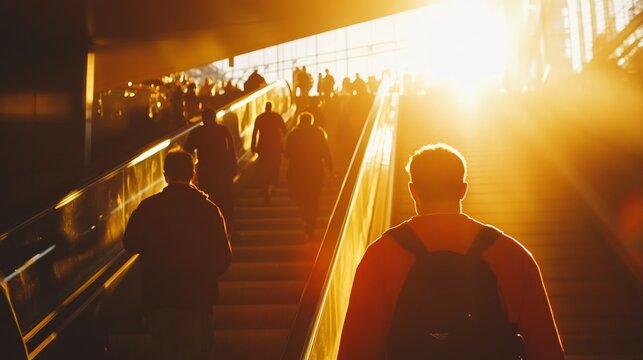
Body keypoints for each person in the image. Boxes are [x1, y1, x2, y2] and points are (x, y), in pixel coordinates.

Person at [338, 143, 564, 360]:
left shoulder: (381, 255)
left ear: (413, 191)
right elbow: (548, 352)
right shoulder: (512, 254)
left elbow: (355, 352)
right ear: (463, 189)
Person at [122, 150, 232, 360]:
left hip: (159, 298)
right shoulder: (209, 209)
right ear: (193, 175)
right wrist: (203, 275)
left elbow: (130, 243)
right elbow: (223, 257)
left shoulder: (148, 207)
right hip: (197, 300)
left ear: (165, 175)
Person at [285, 112, 333, 240]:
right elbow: (325, 152)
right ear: (311, 121)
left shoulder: (293, 134)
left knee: (302, 198)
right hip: (315, 171)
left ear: (300, 121)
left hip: (297, 173)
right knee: (314, 199)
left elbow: (287, 154)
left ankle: (307, 220)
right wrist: (330, 168)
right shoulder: (318, 133)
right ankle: (310, 225)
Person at [184, 108, 237, 223]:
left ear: (203, 119)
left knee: (209, 199)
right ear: (215, 117)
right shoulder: (223, 130)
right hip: (223, 171)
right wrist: (234, 167)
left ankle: (211, 224)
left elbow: (187, 149)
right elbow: (231, 150)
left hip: (206, 172)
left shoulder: (198, 132)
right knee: (225, 199)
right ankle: (228, 227)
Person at [251, 102, 287, 203]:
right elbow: (284, 130)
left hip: (263, 147)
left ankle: (266, 187)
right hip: (276, 147)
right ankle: (273, 185)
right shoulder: (277, 117)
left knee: (265, 167)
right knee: (275, 167)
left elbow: (254, 133)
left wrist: (253, 146)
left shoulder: (260, 118)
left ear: (265, 108)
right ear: (271, 108)